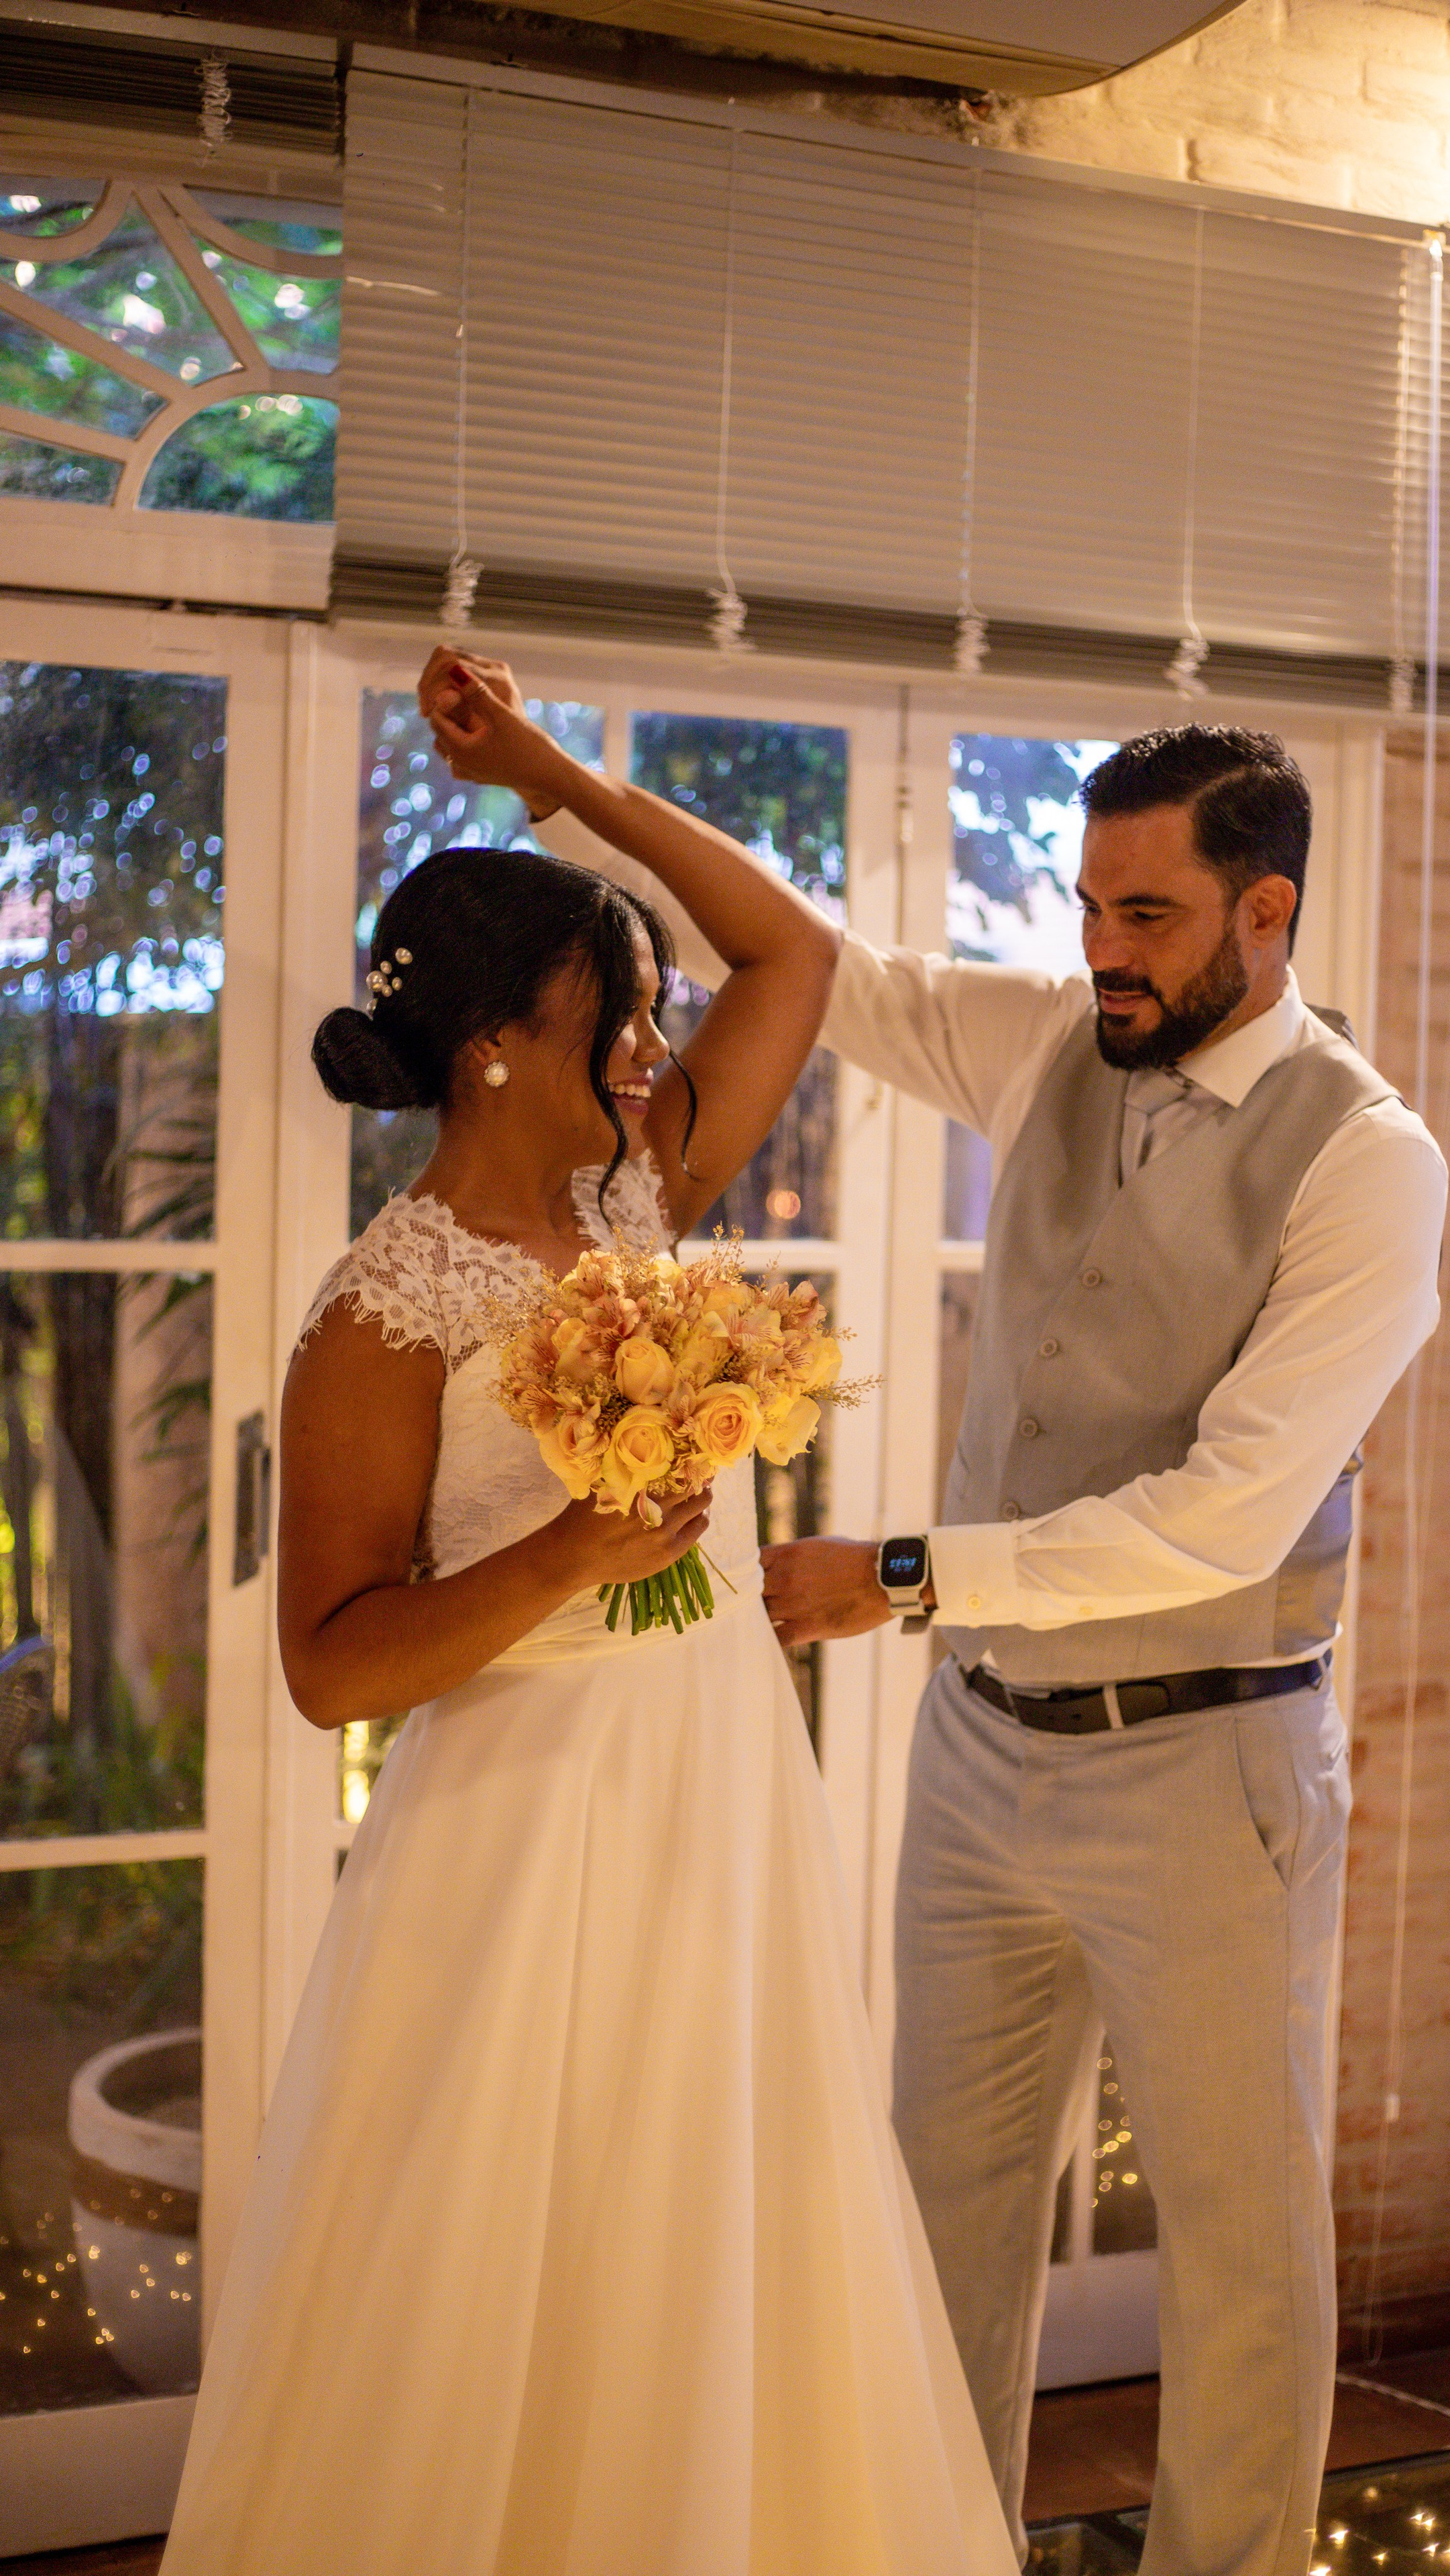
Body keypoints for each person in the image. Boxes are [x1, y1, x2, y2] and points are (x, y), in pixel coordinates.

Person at [492, 696, 1447, 2576]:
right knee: (934, 2227)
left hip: (1211, 1768)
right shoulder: (1050, 1044)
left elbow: (1225, 1517)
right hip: (983, 1763)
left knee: (1245, 2262)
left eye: (1150, 915)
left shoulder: (1368, 1161)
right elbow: (816, 963)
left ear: (1268, 917)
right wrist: (564, 791)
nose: (1102, 945)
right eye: (1088, 900)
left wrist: (906, 1578)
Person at [160, 667, 1017, 2576]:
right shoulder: (382, 1319)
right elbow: (330, 1666)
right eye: (610, 1021)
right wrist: (571, 1555)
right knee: (503, 2247)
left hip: (714, 1792)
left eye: (643, 1023)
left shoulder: (646, 1190)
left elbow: (787, 946)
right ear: (487, 1049)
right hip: (524, 1832)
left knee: (716, 2209)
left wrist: (550, 777)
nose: (649, 1052)